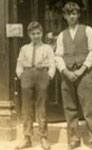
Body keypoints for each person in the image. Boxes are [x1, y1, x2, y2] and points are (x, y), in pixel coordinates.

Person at [55, 2, 92, 150]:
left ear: (78, 15)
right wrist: (66, 72)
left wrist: (82, 69)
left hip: (85, 75)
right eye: (69, 14)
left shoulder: (88, 31)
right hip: (67, 76)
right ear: (64, 16)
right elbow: (57, 56)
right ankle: (74, 138)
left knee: (89, 108)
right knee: (70, 108)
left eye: (74, 13)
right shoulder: (62, 35)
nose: (72, 17)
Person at [16, 21, 55, 150]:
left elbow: (52, 64)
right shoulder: (24, 48)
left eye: (38, 33)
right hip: (27, 75)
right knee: (26, 108)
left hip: (42, 75)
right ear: (29, 35)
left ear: (42, 33)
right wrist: (22, 75)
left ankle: (43, 137)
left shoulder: (47, 48)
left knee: (41, 107)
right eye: (33, 34)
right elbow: (19, 64)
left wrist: (49, 76)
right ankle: (27, 137)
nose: (36, 36)